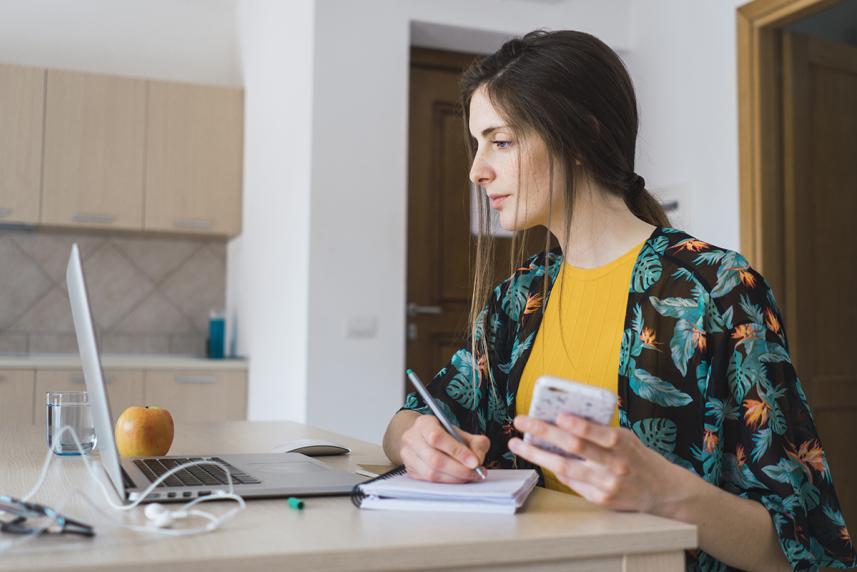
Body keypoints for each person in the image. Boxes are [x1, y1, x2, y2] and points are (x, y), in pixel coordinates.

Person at [382, 30, 856, 571]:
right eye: (477, 143)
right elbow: (416, 415)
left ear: (581, 136)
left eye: (501, 141)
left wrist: (663, 492)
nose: (476, 169)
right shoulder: (518, 300)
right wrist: (412, 441)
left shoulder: (716, 290)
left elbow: (805, 549)